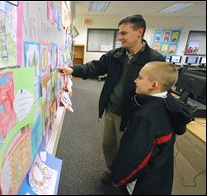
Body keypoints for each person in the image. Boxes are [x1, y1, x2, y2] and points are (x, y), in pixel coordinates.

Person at [57, 14, 165, 183]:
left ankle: (125, 179)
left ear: (139, 32)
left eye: (123, 33)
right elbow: (95, 67)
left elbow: (159, 90)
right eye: (119, 33)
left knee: (129, 150)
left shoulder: (154, 60)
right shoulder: (116, 54)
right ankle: (112, 170)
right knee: (109, 145)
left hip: (133, 115)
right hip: (111, 109)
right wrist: (73, 70)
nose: (119, 37)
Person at [111, 62, 193, 194]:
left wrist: (117, 178)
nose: (135, 80)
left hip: (142, 184)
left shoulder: (146, 116)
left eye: (140, 77)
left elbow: (134, 156)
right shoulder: (168, 104)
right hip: (160, 178)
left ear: (154, 85)